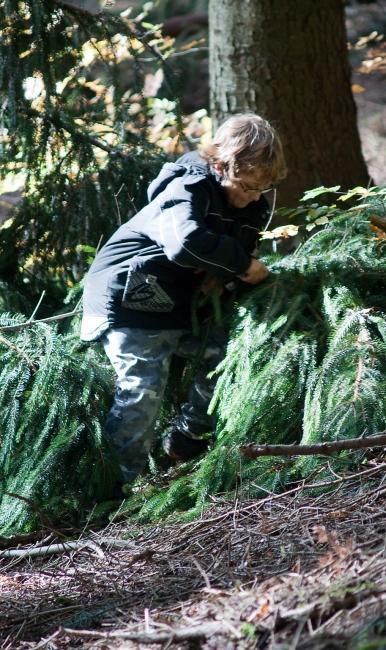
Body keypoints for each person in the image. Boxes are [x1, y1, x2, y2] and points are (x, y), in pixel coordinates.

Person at [80, 113, 287, 483]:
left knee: (226, 354)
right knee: (141, 391)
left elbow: (228, 252)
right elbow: (185, 243)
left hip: (177, 301)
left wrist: (225, 272)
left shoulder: (253, 205)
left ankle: (186, 441)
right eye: (244, 186)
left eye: (260, 189)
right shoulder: (187, 186)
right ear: (220, 165)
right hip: (129, 295)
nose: (250, 198)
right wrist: (242, 265)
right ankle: (115, 490)